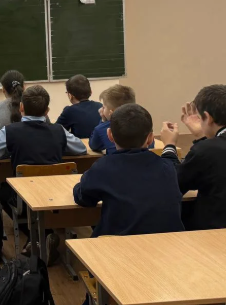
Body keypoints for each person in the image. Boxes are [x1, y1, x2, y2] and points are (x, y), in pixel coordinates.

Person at [0, 85, 86, 264]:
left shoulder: (10, 131)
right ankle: (44, 235)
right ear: (47, 111)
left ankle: (36, 236)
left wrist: (7, 151)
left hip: (24, 197)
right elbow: (81, 148)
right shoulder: (59, 130)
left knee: (2, 190)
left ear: (21, 108)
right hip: (57, 192)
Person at [73, 104, 185, 237]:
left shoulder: (102, 167)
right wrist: (170, 144)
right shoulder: (168, 168)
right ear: (150, 138)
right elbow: (171, 161)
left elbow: (84, 198)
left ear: (110, 135)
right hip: (169, 244)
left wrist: (79, 184)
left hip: (119, 245)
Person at [162, 85, 226, 230]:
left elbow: (174, 184)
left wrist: (169, 146)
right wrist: (202, 136)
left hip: (213, 234)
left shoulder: (206, 150)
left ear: (208, 118)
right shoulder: (209, 148)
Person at [89, 84, 153, 154]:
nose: (101, 110)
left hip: (115, 160)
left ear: (112, 112)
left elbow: (94, 145)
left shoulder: (101, 128)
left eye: (104, 107)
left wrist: (103, 121)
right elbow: (151, 145)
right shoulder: (144, 124)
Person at [56, 74, 103, 138]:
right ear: (91, 92)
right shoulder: (100, 106)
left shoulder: (69, 111)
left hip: (81, 144)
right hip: (100, 144)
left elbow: (56, 131)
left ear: (70, 96)